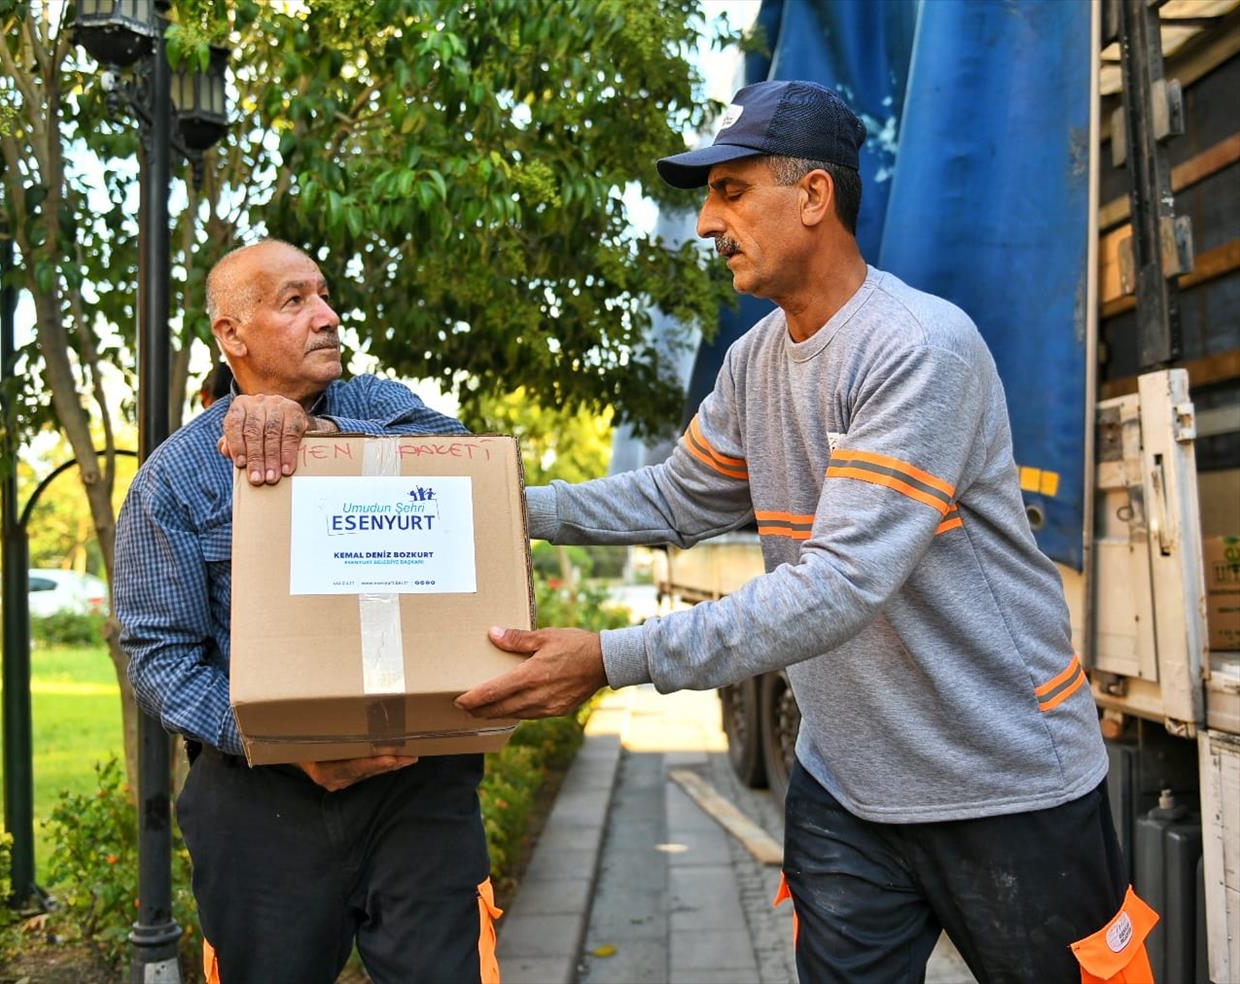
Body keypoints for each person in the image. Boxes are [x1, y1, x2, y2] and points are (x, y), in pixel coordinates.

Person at [457, 81, 1155, 983]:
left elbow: (839, 585)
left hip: (1002, 778)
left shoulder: (916, 347)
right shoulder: (753, 362)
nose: (707, 221)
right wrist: (504, 505)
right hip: (847, 785)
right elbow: (676, 501)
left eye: (732, 191)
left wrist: (607, 658)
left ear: (815, 197)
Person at [115, 240, 501, 984]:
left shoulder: (379, 405)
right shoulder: (174, 480)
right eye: (295, 302)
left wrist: (332, 444)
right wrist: (286, 740)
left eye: (323, 295)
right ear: (233, 336)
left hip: (419, 787)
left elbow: (466, 461)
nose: (326, 315)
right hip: (262, 799)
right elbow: (159, 658)